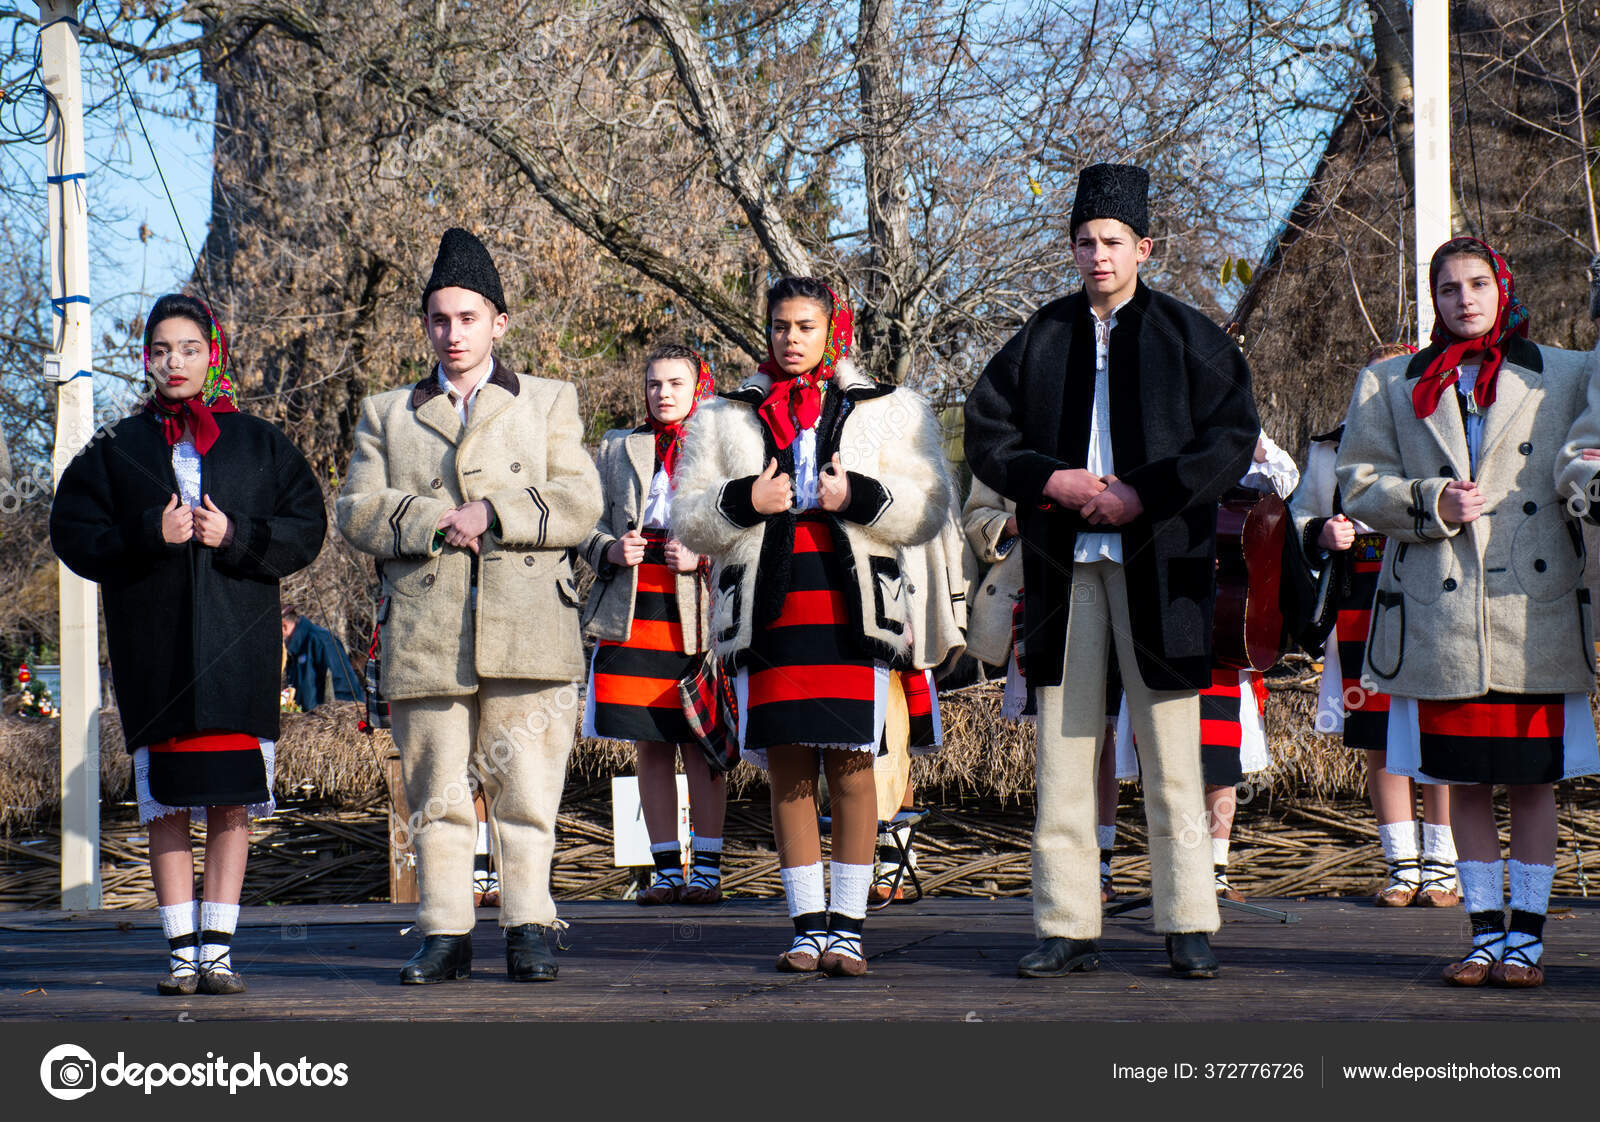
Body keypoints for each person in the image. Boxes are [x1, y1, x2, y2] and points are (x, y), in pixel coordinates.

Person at [964, 163, 1259, 980]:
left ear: (1145, 248)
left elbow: (1233, 434)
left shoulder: (1187, 335)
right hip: (1063, 568)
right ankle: (1065, 923)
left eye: (1113, 243)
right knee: (1064, 752)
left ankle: (1189, 920)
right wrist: (1048, 479)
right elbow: (986, 431)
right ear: (1072, 247)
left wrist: (1147, 493)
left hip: (1163, 567)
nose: (1098, 256)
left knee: (1170, 752)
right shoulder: (1041, 336)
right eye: (1086, 242)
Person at [336, 228, 603, 984]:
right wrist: (429, 521)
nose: (452, 334)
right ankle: (445, 934)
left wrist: (495, 511)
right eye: (439, 320)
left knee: (527, 794)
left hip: (530, 625)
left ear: (499, 323)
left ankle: (529, 928)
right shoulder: (386, 411)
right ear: (425, 324)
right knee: (436, 794)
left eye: (468, 318)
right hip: (427, 629)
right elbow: (356, 509)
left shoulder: (550, 401)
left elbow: (582, 502)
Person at [672, 277, 952, 977]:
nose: (790, 338)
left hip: (852, 610)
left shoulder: (888, 410)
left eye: (804, 325)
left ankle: (850, 929)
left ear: (833, 330)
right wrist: (746, 499)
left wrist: (855, 495)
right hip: (769, 612)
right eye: (779, 326)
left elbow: (931, 505)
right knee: (790, 771)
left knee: (855, 767)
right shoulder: (723, 416)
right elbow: (687, 517)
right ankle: (804, 928)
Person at [1340, 236, 1600, 988]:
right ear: (1436, 298)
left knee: (1530, 781)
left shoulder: (1569, 372)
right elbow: (1358, 484)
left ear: (1501, 286)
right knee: (1462, 781)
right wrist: (1428, 501)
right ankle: (1485, 936)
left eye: (1478, 283)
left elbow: (1587, 457)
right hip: (1439, 612)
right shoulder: (1391, 382)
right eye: (1449, 288)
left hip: (1534, 610)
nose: (1465, 299)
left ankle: (1529, 942)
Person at [50, 293, 326, 995]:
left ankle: (219, 955)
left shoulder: (260, 442)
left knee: (231, 801)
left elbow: (307, 526)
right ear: (146, 359)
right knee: (169, 803)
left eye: (190, 349)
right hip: (156, 653)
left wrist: (236, 536)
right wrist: (149, 532)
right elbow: (72, 533)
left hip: (240, 652)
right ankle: (180, 955)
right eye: (161, 350)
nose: (175, 362)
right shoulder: (116, 447)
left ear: (215, 355)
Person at [1293, 342, 1458, 909]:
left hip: (1429, 595)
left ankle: (1442, 865)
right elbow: (1298, 516)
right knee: (1379, 735)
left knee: (1435, 725)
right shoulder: (1329, 449)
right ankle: (1402, 866)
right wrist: (1319, 532)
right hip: (1360, 599)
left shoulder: (1445, 437)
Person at [580, 343, 726, 906]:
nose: (663, 394)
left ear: (698, 389)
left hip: (697, 609)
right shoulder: (618, 447)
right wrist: (611, 550)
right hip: (632, 609)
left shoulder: (720, 446)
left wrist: (704, 556)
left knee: (701, 739)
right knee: (649, 741)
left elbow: (749, 528)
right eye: (654, 383)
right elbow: (583, 522)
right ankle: (665, 871)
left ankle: (707, 870)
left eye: (675, 384)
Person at [963, 477, 1124, 902]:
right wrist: (1017, 521)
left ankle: (1100, 863)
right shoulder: (1014, 433)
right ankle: (1064, 862)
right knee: (1056, 736)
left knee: (1104, 734)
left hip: (1111, 586)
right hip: (1036, 588)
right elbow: (977, 519)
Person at [280, 607, 360, 711]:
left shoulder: (322, 640)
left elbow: (342, 686)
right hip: (308, 722)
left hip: (335, 719)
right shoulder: (295, 649)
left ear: (284, 625)